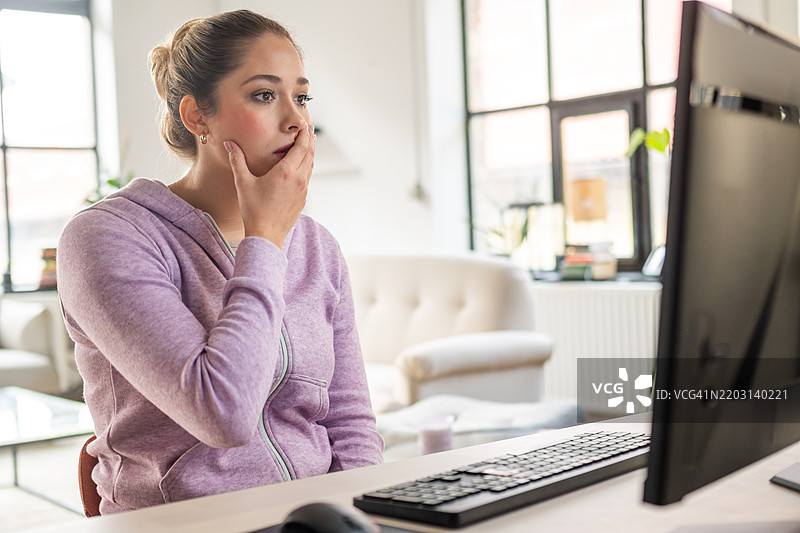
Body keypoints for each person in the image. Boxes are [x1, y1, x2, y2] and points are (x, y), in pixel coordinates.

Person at [57, 10, 384, 514]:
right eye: (263, 95)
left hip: (311, 518)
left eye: (301, 96)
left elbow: (349, 420)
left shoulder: (317, 246)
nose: (296, 119)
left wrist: (358, 518)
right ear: (196, 116)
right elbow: (223, 415)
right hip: (180, 523)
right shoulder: (106, 238)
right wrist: (266, 239)